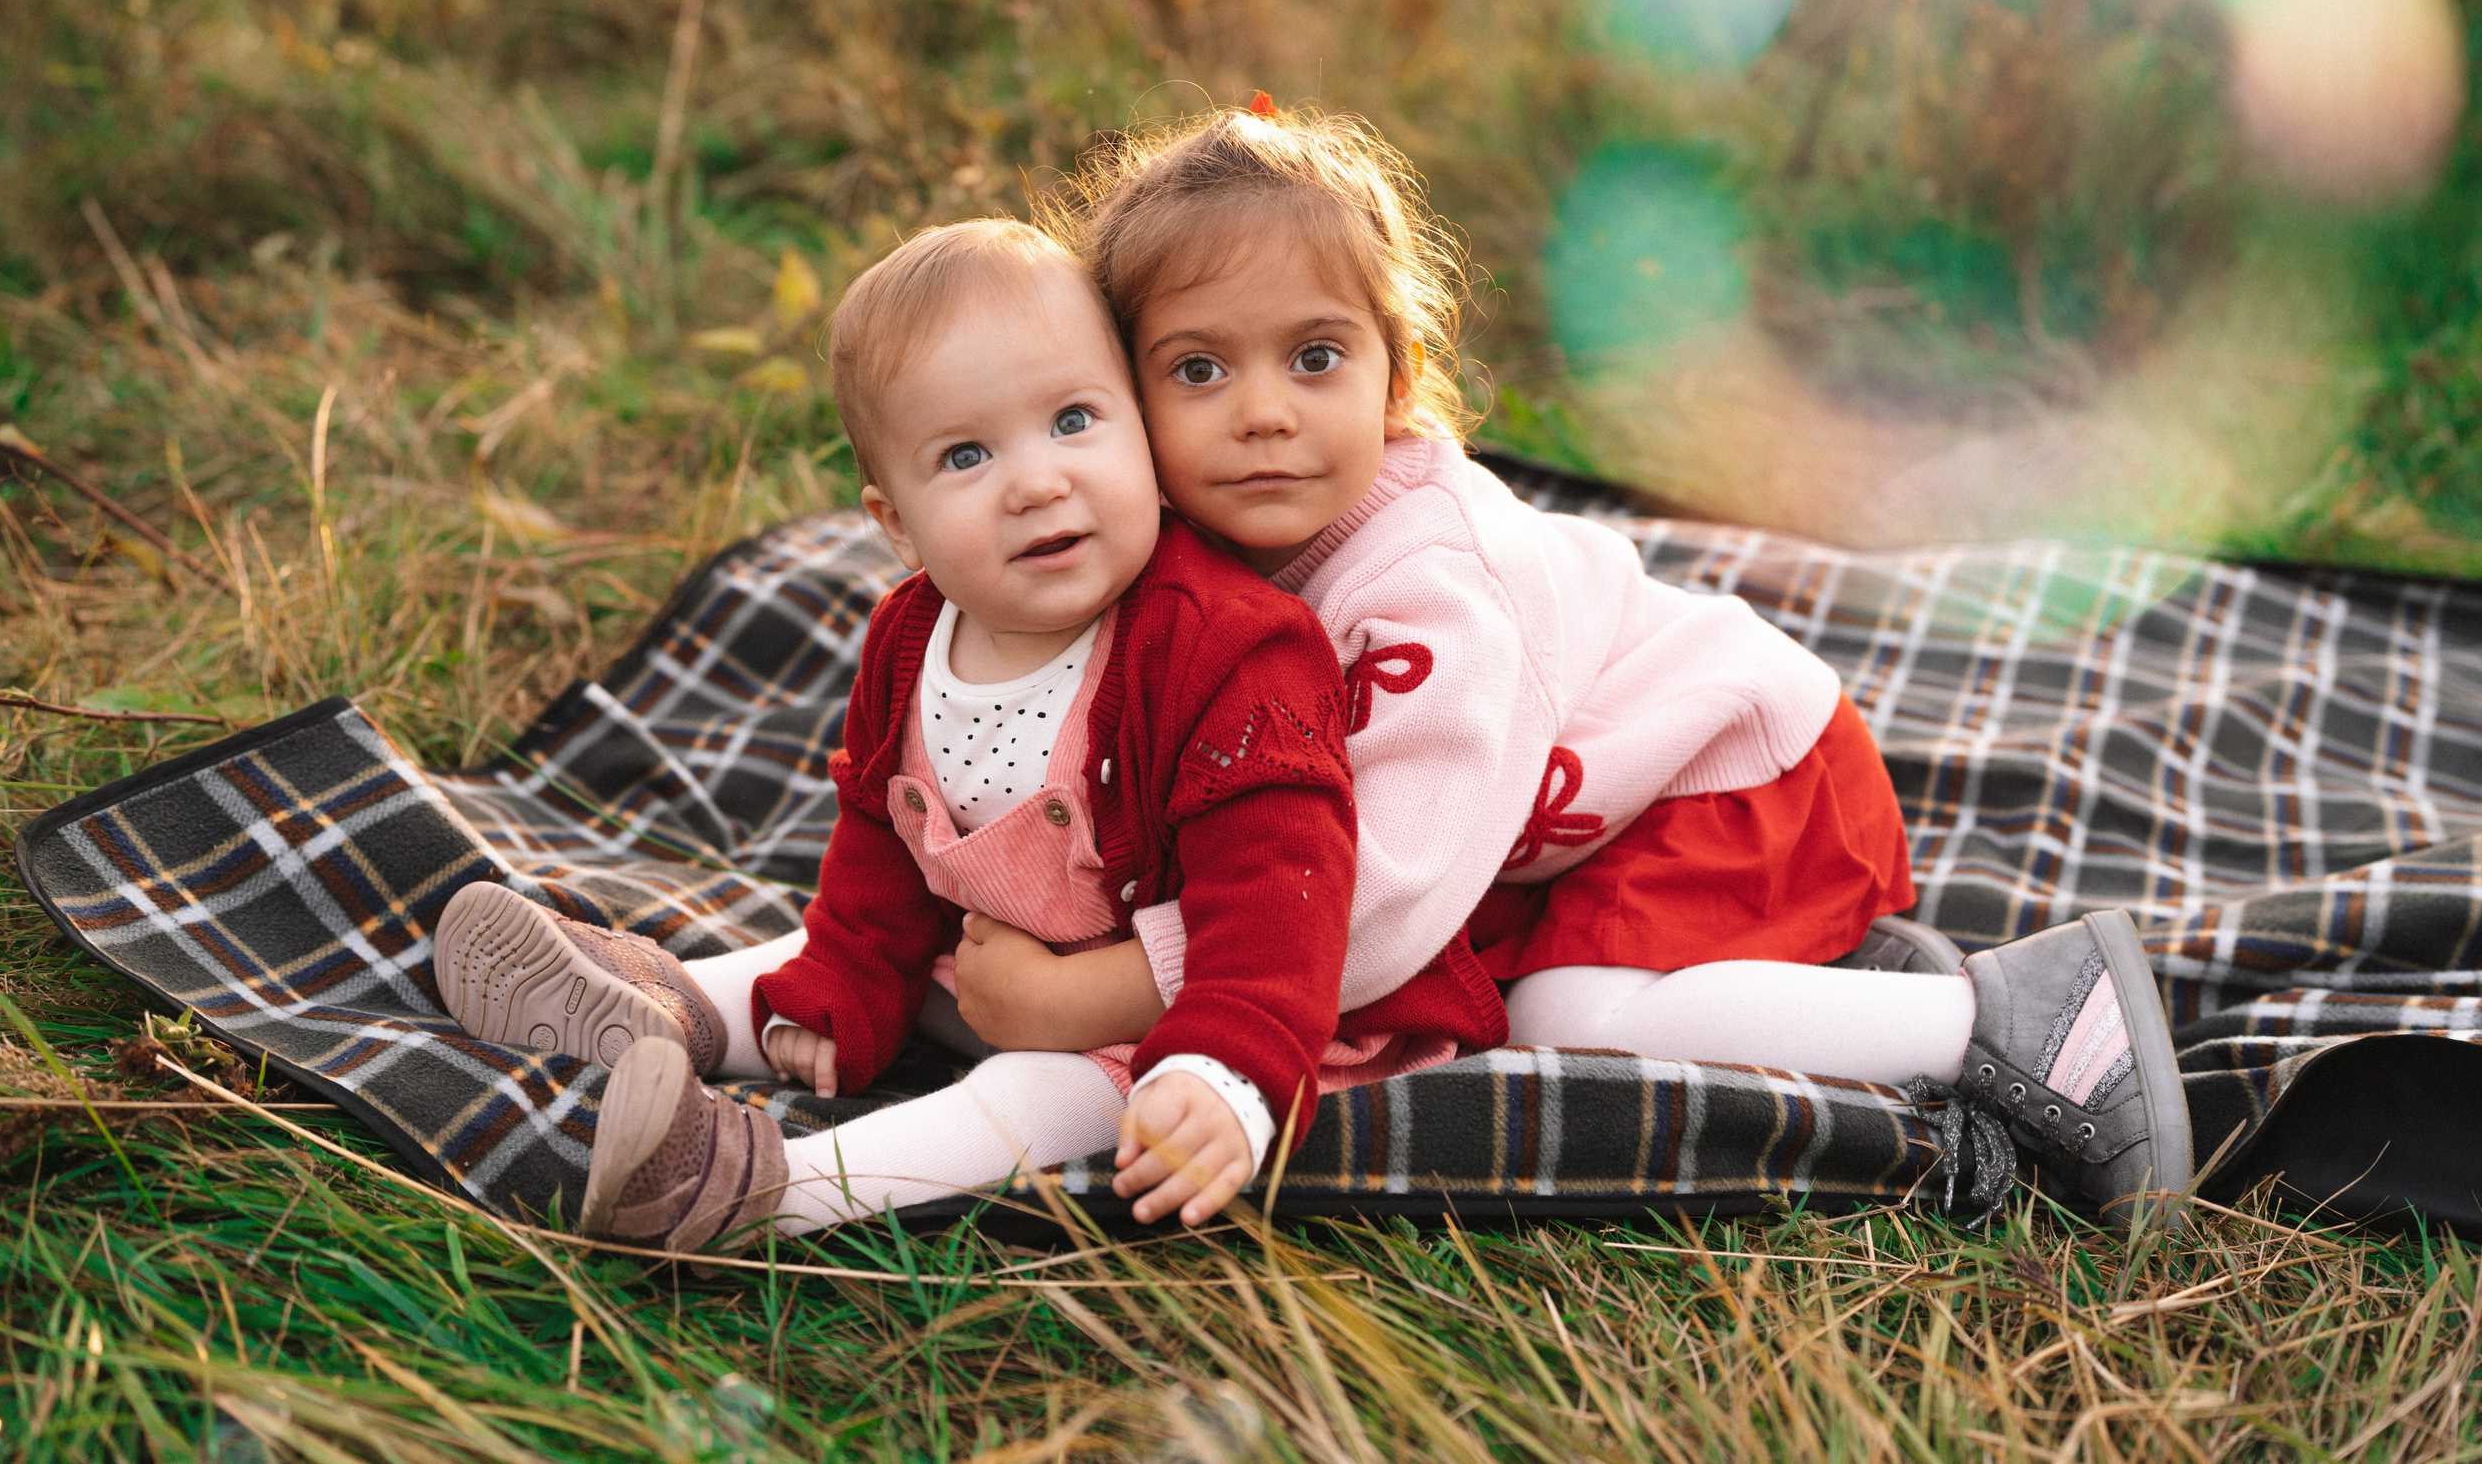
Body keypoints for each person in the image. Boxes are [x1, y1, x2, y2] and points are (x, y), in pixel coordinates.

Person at [959, 102, 2191, 1224]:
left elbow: (1374, 906)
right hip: (1570, 816)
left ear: (1398, 367)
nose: (1265, 411)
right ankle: (1831, 987)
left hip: (1735, 779)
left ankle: (2015, 1015)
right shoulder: (1183, 560)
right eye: (1197, 369)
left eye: (1316, 356)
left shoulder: (1432, 584)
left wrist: (1098, 997)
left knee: (1564, 1018)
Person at [430, 219, 1499, 1251]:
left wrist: (1226, 1069)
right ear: (894, 524)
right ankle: (664, 1011)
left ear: (1138, 423)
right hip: (1006, 963)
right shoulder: (910, 632)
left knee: (1033, 1093)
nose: (1037, 482)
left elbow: (1282, 892)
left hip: (1205, 1011)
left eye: (1075, 420)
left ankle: (759, 1188)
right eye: (966, 455)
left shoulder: (1227, 651)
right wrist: (846, 978)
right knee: (838, 960)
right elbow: (880, 836)